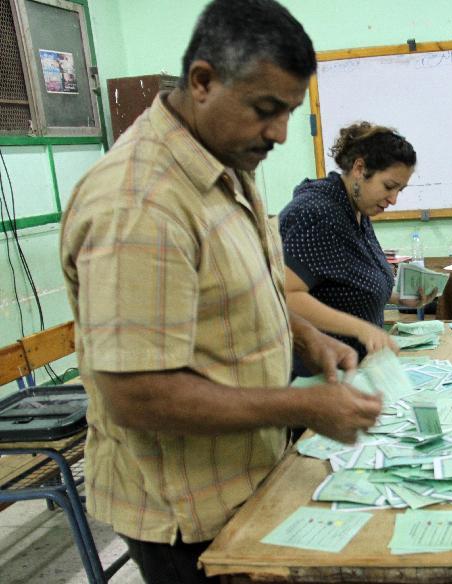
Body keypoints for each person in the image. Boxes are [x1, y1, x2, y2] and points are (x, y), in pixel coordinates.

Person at [59, 2, 382, 582]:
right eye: (266, 110)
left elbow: (242, 291)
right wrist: (302, 404)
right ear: (203, 81)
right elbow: (137, 394)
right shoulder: (141, 203)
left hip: (246, 477)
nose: (281, 133)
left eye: (287, 112)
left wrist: (304, 336)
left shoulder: (224, 164)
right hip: (186, 509)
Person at [279, 122, 434, 365]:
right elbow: (286, 296)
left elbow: (345, 283)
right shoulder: (316, 213)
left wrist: (399, 298)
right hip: (318, 370)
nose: (393, 199)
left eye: (400, 190)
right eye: (389, 186)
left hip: (355, 369)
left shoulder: (357, 209)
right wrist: (362, 329)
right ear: (360, 168)